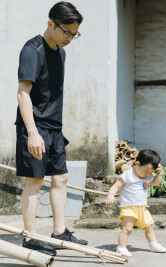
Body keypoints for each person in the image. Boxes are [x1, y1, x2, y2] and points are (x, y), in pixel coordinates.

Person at [16, 2, 86, 256]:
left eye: (73, 33)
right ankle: (31, 237)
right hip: (34, 126)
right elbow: (23, 93)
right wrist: (32, 132)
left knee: (61, 177)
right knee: (34, 181)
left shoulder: (61, 53)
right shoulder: (32, 50)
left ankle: (59, 232)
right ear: (50, 24)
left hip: (54, 127)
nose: (69, 38)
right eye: (66, 32)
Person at [106, 149, 166, 257]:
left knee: (149, 226)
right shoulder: (128, 175)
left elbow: (155, 183)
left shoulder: (148, 177)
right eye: (146, 171)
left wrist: (160, 173)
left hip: (142, 208)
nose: (147, 175)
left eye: (150, 173)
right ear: (137, 164)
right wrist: (110, 195)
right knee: (127, 229)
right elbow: (116, 185)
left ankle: (153, 244)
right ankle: (121, 248)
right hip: (129, 207)